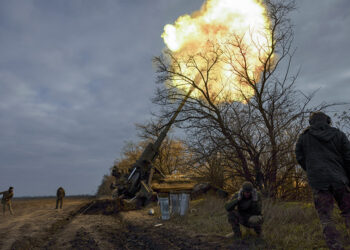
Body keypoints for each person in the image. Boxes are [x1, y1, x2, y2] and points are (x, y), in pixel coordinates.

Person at [295, 111, 350, 250]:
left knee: (326, 217)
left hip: (319, 183)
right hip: (340, 180)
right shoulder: (339, 134)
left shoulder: (303, 138)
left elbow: (300, 158)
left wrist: (313, 171)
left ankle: (335, 246)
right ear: (327, 121)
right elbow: (348, 158)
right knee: (348, 212)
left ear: (311, 122)